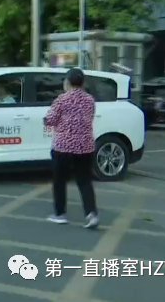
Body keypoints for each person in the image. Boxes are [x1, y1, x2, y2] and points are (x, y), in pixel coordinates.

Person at [43, 68, 99, 229]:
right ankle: (91, 214)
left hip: (63, 147)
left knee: (60, 181)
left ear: (67, 82)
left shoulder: (62, 99)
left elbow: (50, 119)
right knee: (85, 181)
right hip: (85, 146)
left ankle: (60, 214)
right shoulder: (90, 100)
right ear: (83, 83)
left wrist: (46, 120)